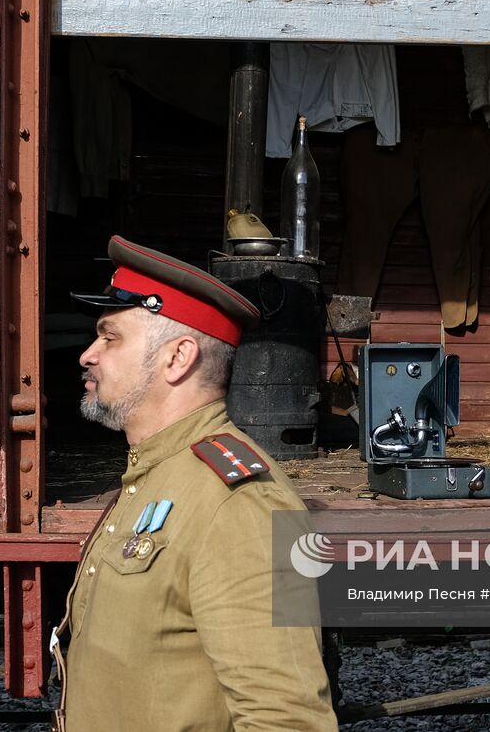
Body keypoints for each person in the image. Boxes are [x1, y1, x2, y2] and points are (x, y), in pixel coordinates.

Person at [50, 235, 338, 732]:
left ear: (178, 358)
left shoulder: (244, 504)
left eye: (110, 336)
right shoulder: (157, 472)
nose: (87, 355)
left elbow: (287, 719)